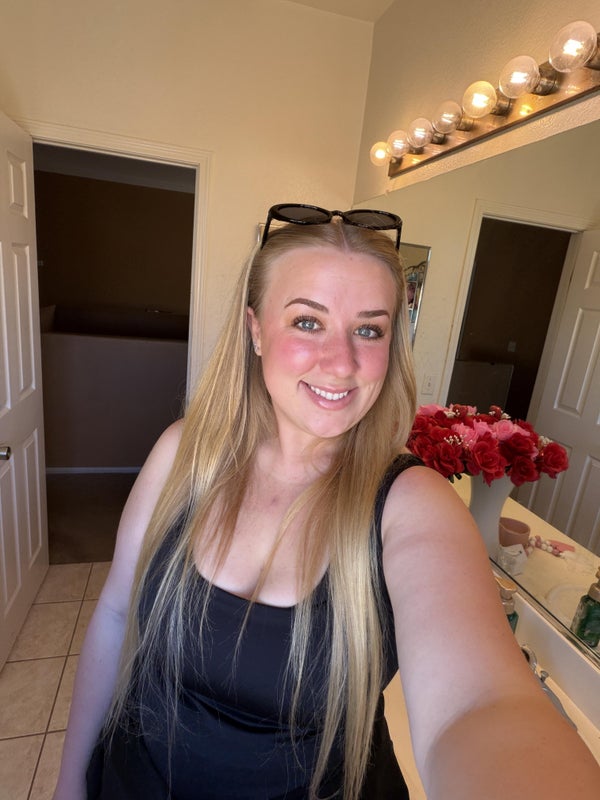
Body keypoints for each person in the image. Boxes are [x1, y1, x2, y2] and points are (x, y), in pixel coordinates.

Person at [53, 204, 599, 800]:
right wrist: (69, 784)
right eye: (308, 322)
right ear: (255, 330)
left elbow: (480, 706)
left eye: (369, 330)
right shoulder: (184, 454)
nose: (342, 363)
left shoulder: (412, 504)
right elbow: (116, 615)